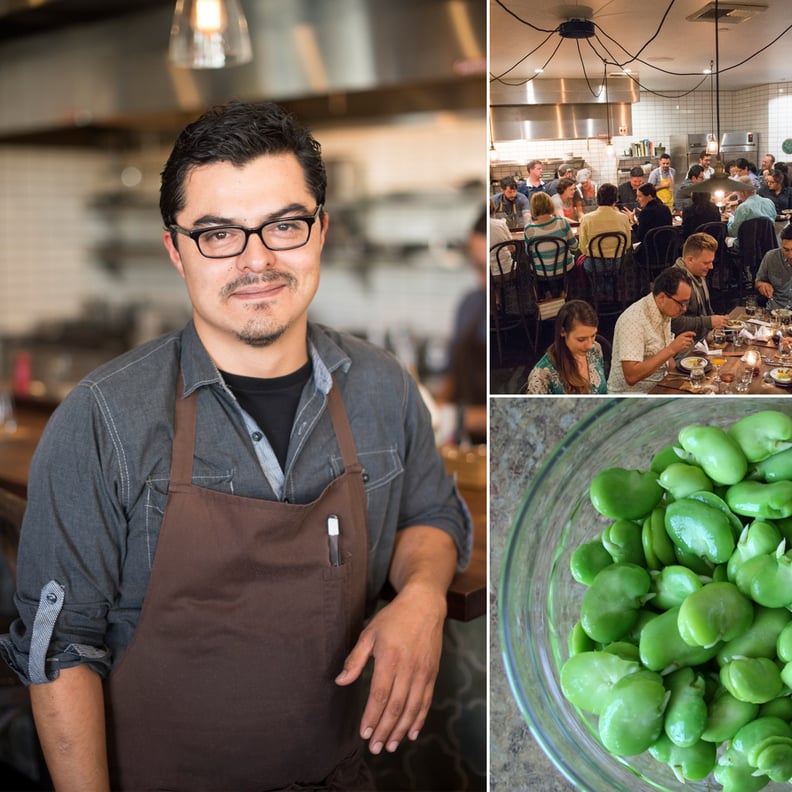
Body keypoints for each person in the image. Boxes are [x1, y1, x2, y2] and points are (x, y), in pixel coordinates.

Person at [0, 101, 472, 791]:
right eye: (218, 233)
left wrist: (424, 596)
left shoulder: (382, 388)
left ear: (320, 231)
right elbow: (59, 648)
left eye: (283, 225)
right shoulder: (102, 420)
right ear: (176, 249)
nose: (257, 260)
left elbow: (430, 514)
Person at [607, 267, 696, 394]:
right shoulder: (633, 320)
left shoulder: (664, 310)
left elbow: (662, 358)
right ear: (662, 298)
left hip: (660, 385)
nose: (684, 308)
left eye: (686, 303)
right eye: (681, 303)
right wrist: (672, 349)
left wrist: (684, 375)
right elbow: (631, 376)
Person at [439, 210, 486, 444]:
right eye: (476, 267)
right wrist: (434, 412)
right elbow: (452, 377)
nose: (480, 279)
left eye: (486, 269)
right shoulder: (469, 304)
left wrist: (456, 418)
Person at [525, 299, 607, 394]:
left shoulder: (595, 349)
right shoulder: (542, 375)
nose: (589, 345)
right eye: (581, 339)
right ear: (563, 332)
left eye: (593, 336)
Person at [670, 232, 729, 342]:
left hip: (704, 337)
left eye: (711, 262)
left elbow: (707, 311)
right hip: (684, 346)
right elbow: (673, 323)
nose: (711, 267)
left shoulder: (697, 272)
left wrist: (718, 322)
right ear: (690, 259)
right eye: (706, 263)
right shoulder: (676, 282)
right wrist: (708, 321)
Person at [523, 191, 578, 277]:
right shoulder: (562, 223)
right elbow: (574, 247)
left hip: (541, 272)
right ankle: (564, 290)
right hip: (565, 269)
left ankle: (545, 291)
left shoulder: (529, 229)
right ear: (550, 204)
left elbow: (528, 253)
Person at [578, 182, 632, 267]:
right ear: (615, 200)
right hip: (618, 263)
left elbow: (582, 248)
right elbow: (627, 244)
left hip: (595, 264)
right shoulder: (623, 218)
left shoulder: (586, 218)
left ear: (598, 199)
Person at [727, 175, 777, 244]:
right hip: (768, 244)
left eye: (738, 193)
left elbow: (734, 233)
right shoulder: (769, 202)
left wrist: (731, 220)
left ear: (743, 192)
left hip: (746, 246)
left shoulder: (743, 208)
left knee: (725, 239)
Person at [756, 224, 792, 309]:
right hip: (775, 312)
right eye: (786, 250)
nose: (790, 255)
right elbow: (758, 281)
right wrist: (762, 285)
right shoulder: (771, 256)